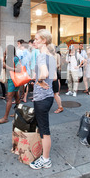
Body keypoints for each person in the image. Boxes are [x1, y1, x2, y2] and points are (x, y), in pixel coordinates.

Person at [29, 29, 56, 170]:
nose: (34, 41)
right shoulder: (51, 56)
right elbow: (55, 78)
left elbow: (45, 73)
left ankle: (45, 160)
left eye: (37, 39)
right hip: (49, 96)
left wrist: (39, 80)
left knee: (44, 130)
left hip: (41, 97)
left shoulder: (41, 56)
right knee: (43, 128)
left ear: (44, 40)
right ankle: (44, 156)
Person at [0, 45, 21, 124]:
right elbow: (3, 66)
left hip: (13, 80)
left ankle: (5, 118)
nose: (5, 50)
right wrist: (3, 56)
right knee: (16, 96)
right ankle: (19, 113)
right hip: (11, 80)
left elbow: (19, 69)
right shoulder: (8, 58)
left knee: (9, 98)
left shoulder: (15, 58)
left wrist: (7, 67)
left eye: (6, 49)